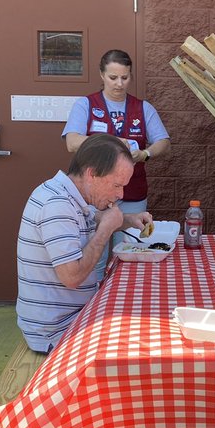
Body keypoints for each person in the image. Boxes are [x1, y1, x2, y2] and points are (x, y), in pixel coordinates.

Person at [16, 134, 153, 353]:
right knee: (145, 342)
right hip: (57, 331)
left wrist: (127, 220)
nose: (120, 195)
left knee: (143, 310)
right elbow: (72, 277)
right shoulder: (57, 206)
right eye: (117, 185)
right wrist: (105, 230)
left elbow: (91, 219)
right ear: (92, 174)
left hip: (71, 316)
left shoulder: (68, 194)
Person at [62, 49, 170, 227]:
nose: (119, 84)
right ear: (102, 75)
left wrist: (145, 154)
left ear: (130, 76)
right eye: (113, 78)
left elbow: (164, 144)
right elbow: (72, 143)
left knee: (131, 249)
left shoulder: (143, 108)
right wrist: (113, 143)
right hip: (94, 192)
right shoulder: (85, 104)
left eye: (125, 78)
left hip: (132, 193)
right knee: (97, 250)